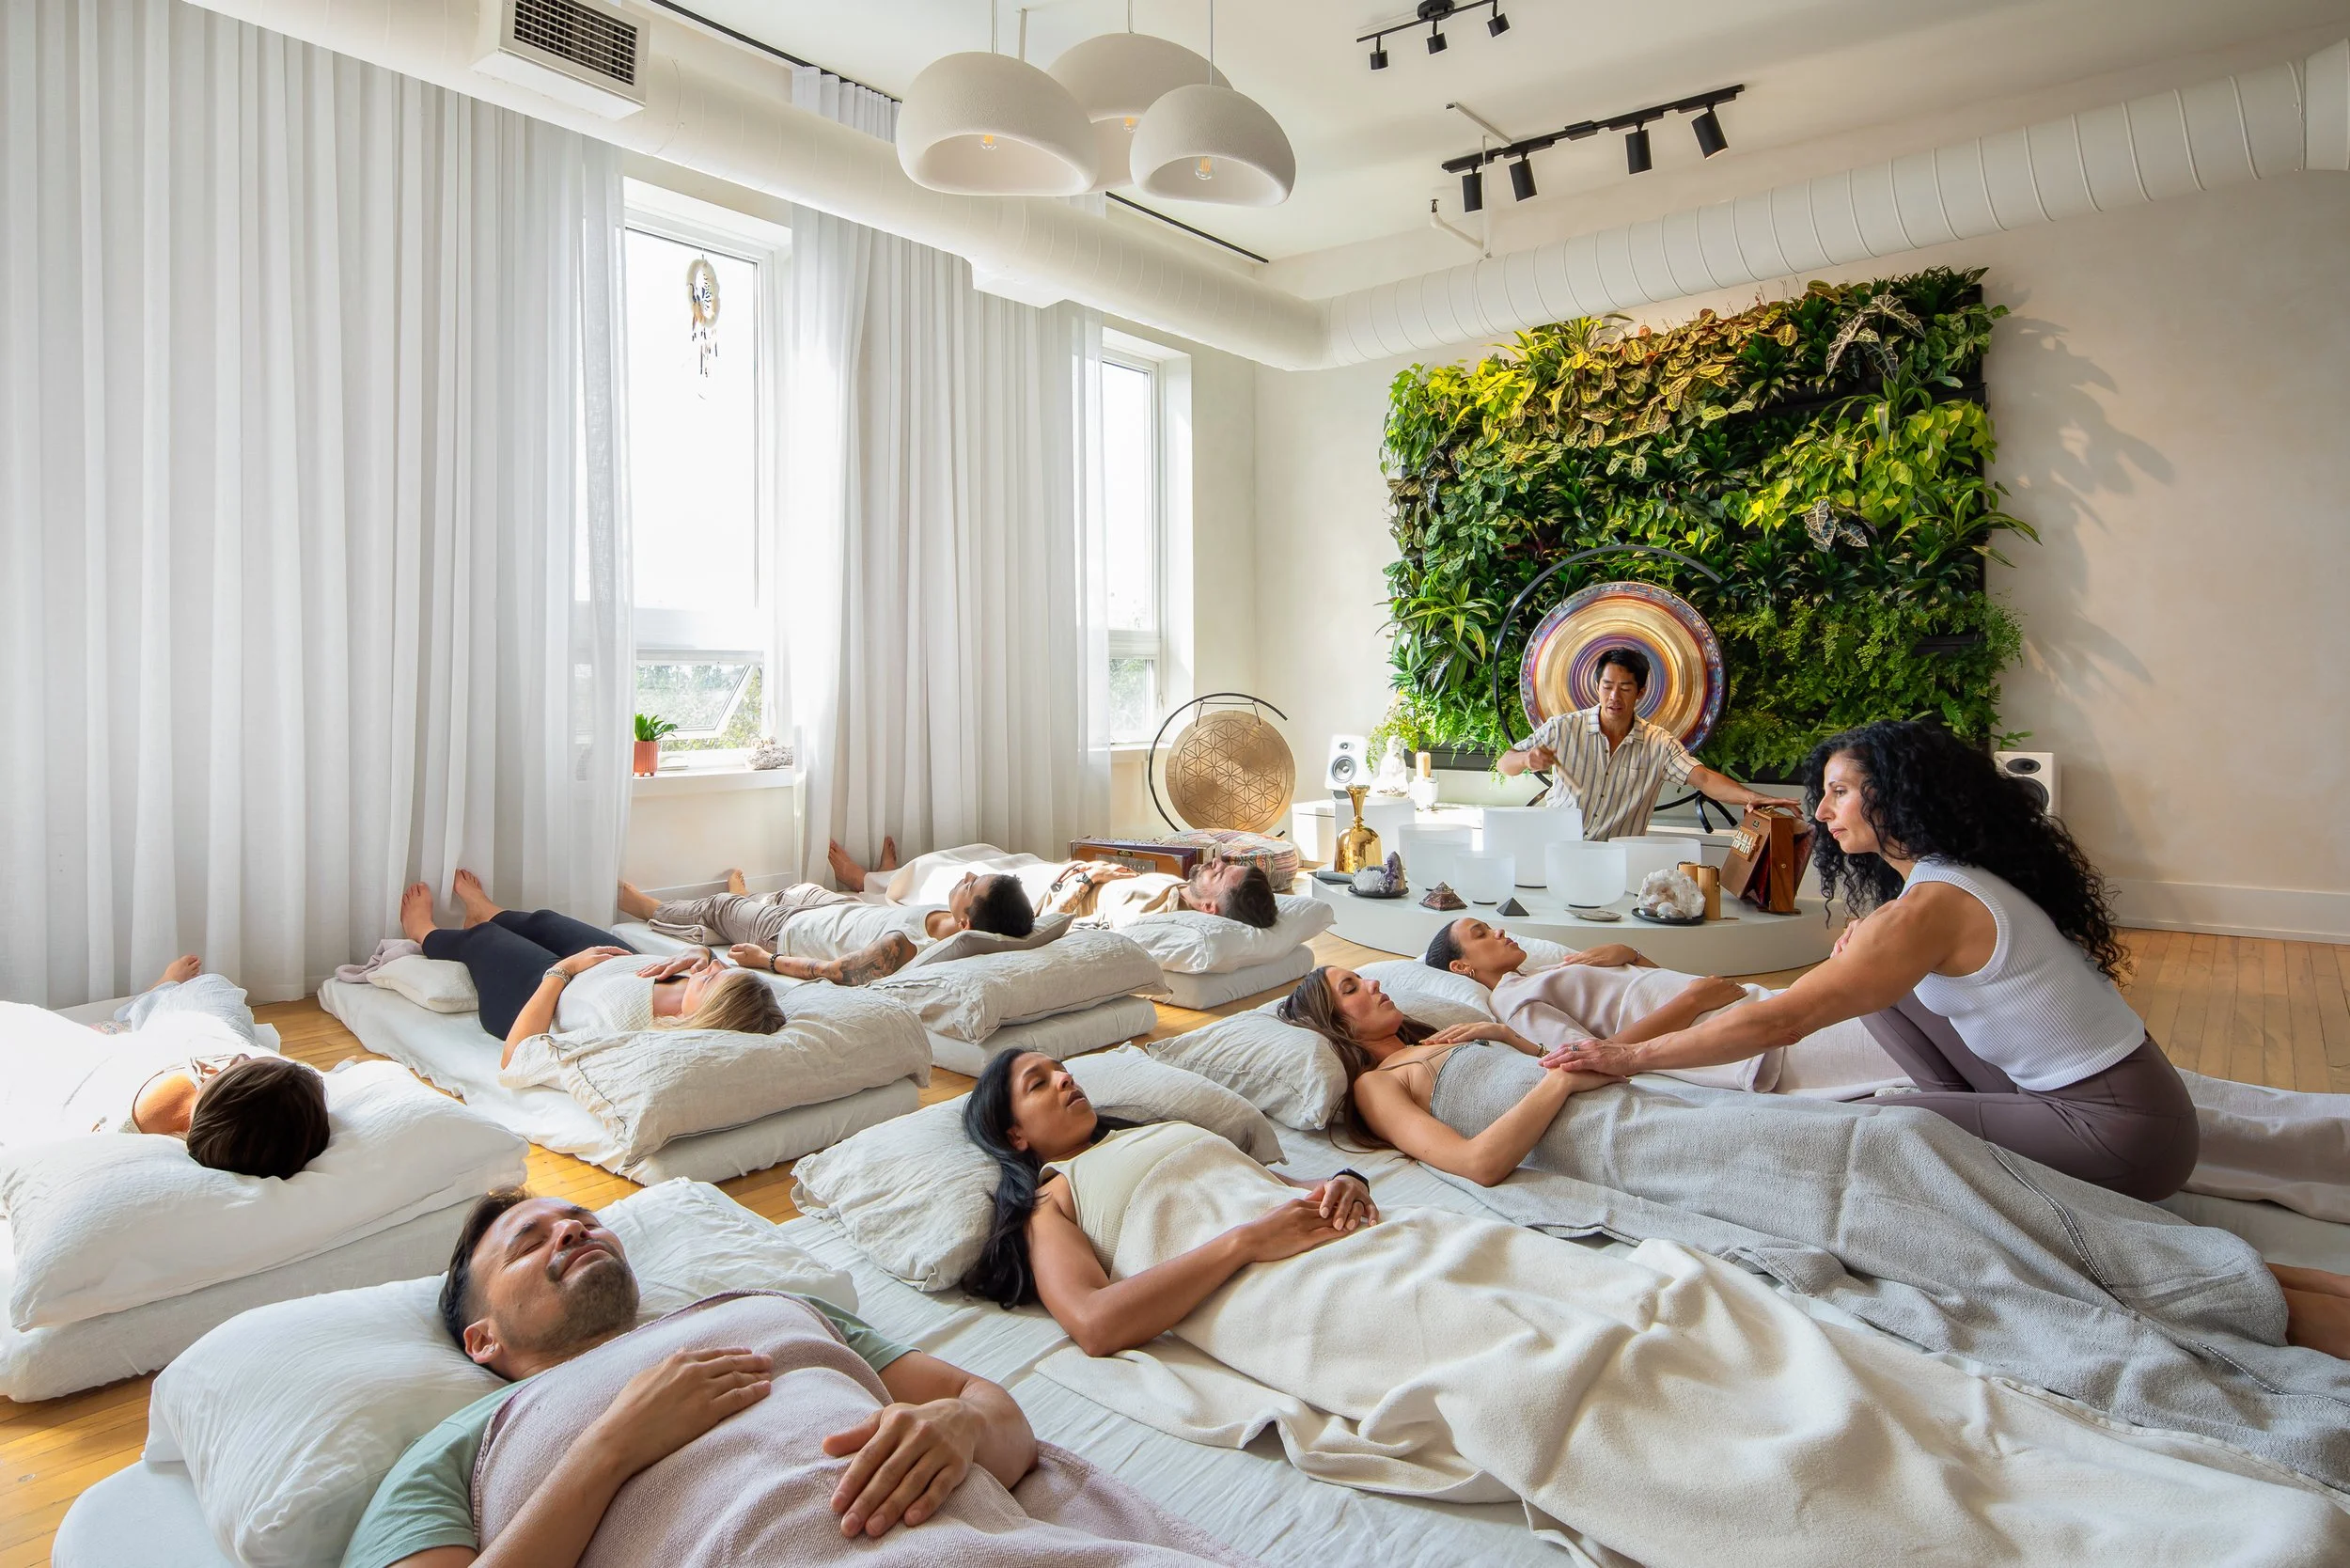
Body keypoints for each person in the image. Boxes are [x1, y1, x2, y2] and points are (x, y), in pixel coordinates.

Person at [954, 1051, 2350, 1566]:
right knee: (1598, 1375)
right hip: (1293, 1312)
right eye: (1032, 1083)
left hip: (1372, 1252)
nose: (1061, 1081)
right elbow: (1097, 1328)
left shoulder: (1176, 1133)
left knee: (1678, 1304)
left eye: (1064, 1067)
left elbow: (1297, 1197)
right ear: (1010, 1134)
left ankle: (2136, 1496)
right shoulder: (1057, 1208)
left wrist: (1322, 1203)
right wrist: (1263, 1233)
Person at [1545, 720, 2200, 1200]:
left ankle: (1941, 1130)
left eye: (1837, 793)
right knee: (1886, 985)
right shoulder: (1945, 881)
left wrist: (1628, 1057)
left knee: (1870, 1129)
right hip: (2092, 1103)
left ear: (1894, 796)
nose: (1821, 811)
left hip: (2120, 1132)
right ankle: (1961, 1119)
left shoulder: (1932, 907)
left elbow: (1779, 1021)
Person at [339, 1188, 1055, 1568]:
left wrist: (958, 1425)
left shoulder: (772, 1310)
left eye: (582, 1219)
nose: (574, 1231)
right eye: (530, 1242)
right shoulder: (452, 1452)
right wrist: (610, 1447)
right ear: (483, 1339)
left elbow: (996, 1419)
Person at [401, 872, 783, 1064]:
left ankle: (426, 933)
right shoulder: (698, 988)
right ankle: (487, 910)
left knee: (484, 939)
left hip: (545, 993)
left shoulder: (631, 1033)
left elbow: (516, 1057)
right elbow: (716, 971)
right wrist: (700, 957)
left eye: (713, 981)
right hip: (609, 965)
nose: (713, 969)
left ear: (707, 1014)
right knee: (544, 920)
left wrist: (563, 971)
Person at [74, 955, 332, 1180]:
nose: (238, 1059)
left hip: (189, 1042)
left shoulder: (154, 1104)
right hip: (227, 1047)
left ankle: (156, 993)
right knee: (217, 987)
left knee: (192, 999)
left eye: (239, 1064)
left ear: (208, 1073)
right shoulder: (275, 1115)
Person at [1496, 647, 1772, 839]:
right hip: (1556, 849)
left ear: (1640, 692)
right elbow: (1504, 763)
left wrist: (1753, 798)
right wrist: (1525, 758)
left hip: (1618, 861)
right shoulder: (1563, 728)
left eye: (1625, 688)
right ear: (1597, 687)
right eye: (1607, 686)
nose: (1614, 696)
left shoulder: (1659, 744)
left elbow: (1703, 778)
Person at [616, 866, 1035, 987]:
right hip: (841, 909)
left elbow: (842, 971)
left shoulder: (910, 946)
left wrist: (770, 960)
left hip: (793, 932)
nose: (964, 875)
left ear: (966, 921)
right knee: (798, 886)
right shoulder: (956, 923)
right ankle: (749, 901)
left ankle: (650, 907)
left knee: (718, 907)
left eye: (970, 885)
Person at [831, 839, 1279, 932]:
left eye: (1220, 873)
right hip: (1054, 874)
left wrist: (1081, 879)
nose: (1215, 862)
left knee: (947, 877)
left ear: (1210, 910)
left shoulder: (1156, 915)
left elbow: (1061, 925)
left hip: (1041, 895)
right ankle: (884, 877)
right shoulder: (1179, 891)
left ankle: (865, 880)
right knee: (979, 853)